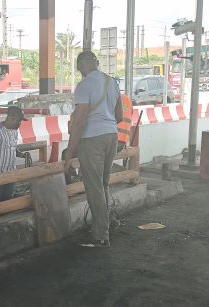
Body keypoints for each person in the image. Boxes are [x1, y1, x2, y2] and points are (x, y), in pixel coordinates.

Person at [64, 51, 124, 248]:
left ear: (81, 65)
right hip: (112, 136)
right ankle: (105, 225)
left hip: (92, 139)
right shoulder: (112, 82)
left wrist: (70, 152)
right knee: (103, 184)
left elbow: (80, 121)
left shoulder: (84, 85)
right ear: (96, 63)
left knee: (94, 187)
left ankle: (100, 235)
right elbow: (119, 116)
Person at [0, 106, 28, 201]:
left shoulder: (15, 132)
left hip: (11, 174)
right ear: (12, 118)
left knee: (8, 201)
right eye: (19, 121)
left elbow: (12, 147)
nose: (20, 124)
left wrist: (21, 154)